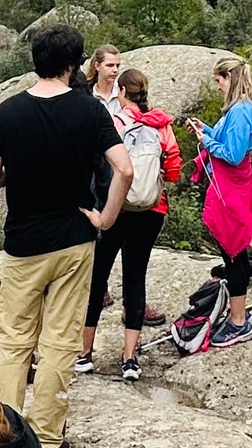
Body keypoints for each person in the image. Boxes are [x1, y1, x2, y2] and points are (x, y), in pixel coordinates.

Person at [0, 25, 132, 448]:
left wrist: (19, 170)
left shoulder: (8, 112)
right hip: (74, 240)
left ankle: (5, 434)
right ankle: (46, 439)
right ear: (72, 65)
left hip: (23, 242)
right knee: (60, 342)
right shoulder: (89, 111)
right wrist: (105, 217)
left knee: (13, 341)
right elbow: (124, 170)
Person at [76, 67, 182, 382]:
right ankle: (130, 359)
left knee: (98, 276)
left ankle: (85, 354)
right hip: (152, 210)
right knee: (135, 277)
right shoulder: (162, 125)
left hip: (116, 206)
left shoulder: (114, 123)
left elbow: (99, 165)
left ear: (122, 92)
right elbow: (174, 170)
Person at [184, 55, 252, 353]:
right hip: (230, 187)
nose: (218, 87)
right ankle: (237, 313)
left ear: (229, 79)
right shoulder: (240, 109)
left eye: (218, 81)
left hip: (232, 190)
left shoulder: (241, 110)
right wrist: (208, 131)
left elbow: (232, 153)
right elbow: (228, 141)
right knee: (232, 252)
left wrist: (206, 141)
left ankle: (239, 320)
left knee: (234, 254)